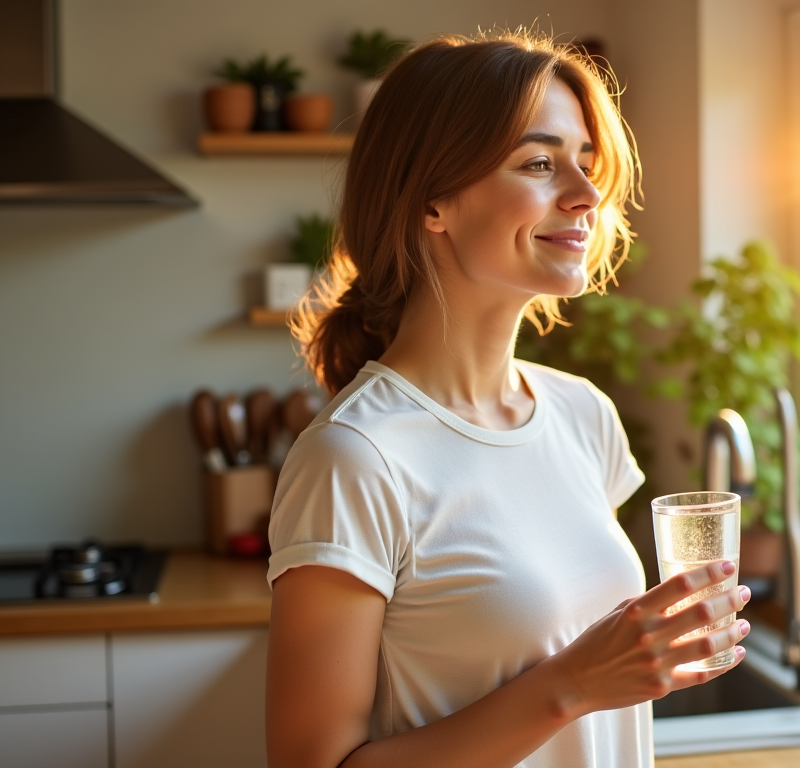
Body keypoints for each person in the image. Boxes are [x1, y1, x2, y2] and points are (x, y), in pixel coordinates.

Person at [265, 30, 751, 768]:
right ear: (434, 203)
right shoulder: (355, 459)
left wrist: (638, 660)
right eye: (539, 163)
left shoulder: (584, 416)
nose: (588, 195)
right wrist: (575, 684)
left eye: (586, 164)